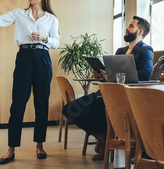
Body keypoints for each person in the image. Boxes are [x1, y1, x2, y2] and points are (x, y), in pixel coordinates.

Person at [0, 0, 60, 164]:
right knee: (17, 104)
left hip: (43, 58)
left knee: (41, 103)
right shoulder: (20, 13)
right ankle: (11, 149)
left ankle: (39, 145)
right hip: (24, 58)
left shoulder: (51, 18)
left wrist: (45, 38)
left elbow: (56, 42)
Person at [62, 16, 153, 160]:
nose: (127, 28)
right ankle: (103, 138)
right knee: (69, 109)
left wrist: (116, 75)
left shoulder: (145, 50)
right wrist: (103, 75)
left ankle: (105, 139)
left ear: (140, 31)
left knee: (94, 108)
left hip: (124, 97)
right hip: (107, 92)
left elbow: (146, 74)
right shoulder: (120, 50)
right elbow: (112, 76)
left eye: (131, 26)